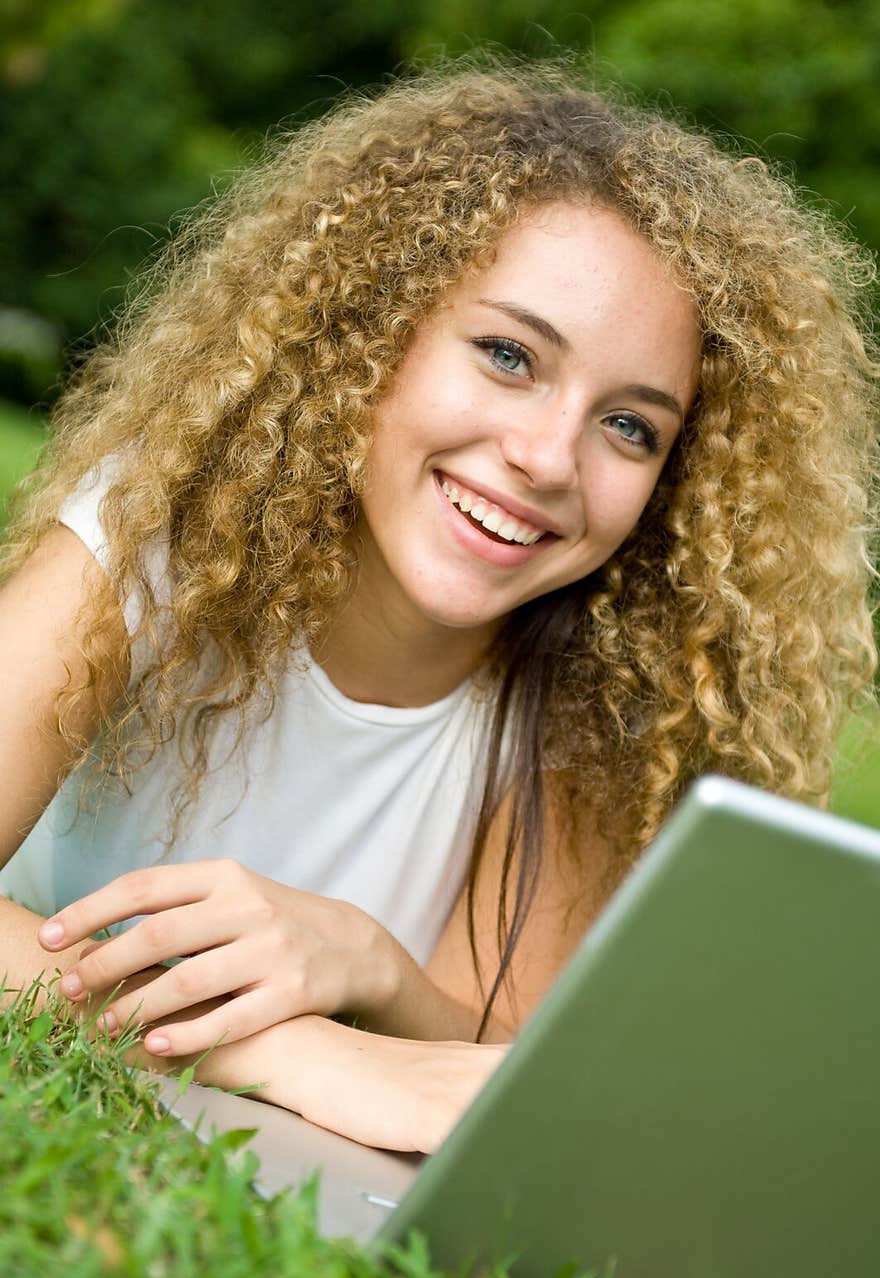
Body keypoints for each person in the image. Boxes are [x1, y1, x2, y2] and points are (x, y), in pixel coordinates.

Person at [0, 59, 877, 1155]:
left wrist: (369, 962)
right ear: (367, 334)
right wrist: (294, 1051)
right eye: (508, 356)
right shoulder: (154, 537)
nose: (546, 457)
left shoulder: (594, 695)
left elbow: (506, 1046)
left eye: (630, 427)